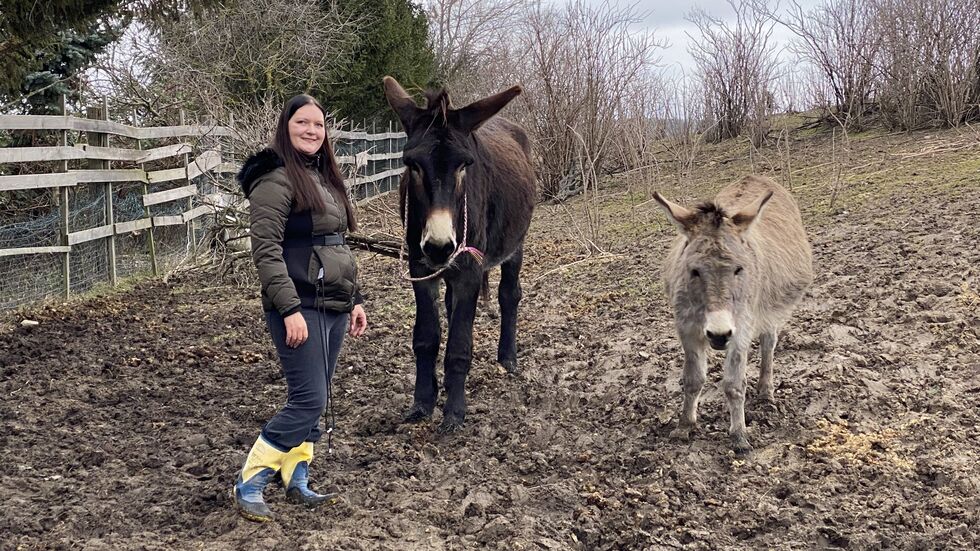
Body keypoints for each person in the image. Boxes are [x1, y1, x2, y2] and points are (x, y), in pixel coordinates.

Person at [233, 94, 368, 522]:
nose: (312, 131)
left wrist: (356, 300)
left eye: (319, 125)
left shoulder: (323, 176)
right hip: (298, 304)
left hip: (332, 303)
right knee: (309, 399)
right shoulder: (275, 178)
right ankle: (251, 479)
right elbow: (267, 252)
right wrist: (288, 308)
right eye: (302, 123)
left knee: (317, 395)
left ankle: (297, 474)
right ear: (285, 127)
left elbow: (337, 245)